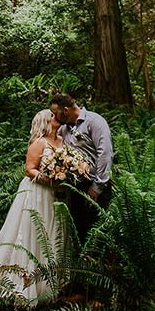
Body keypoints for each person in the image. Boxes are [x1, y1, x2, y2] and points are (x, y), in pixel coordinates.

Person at [0, 109, 63, 304]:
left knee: (50, 233)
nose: (57, 118)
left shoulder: (61, 141)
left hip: (55, 195)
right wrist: (49, 180)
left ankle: (48, 284)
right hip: (37, 193)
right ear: (45, 122)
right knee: (32, 232)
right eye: (53, 116)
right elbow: (29, 169)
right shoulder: (38, 143)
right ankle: (22, 282)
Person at [50, 93, 113, 241]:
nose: (54, 117)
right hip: (73, 187)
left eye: (55, 113)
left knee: (96, 231)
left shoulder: (95, 121)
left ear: (65, 110)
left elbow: (105, 154)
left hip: (94, 185)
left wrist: (97, 187)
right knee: (79, 230)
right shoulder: (62, 129)